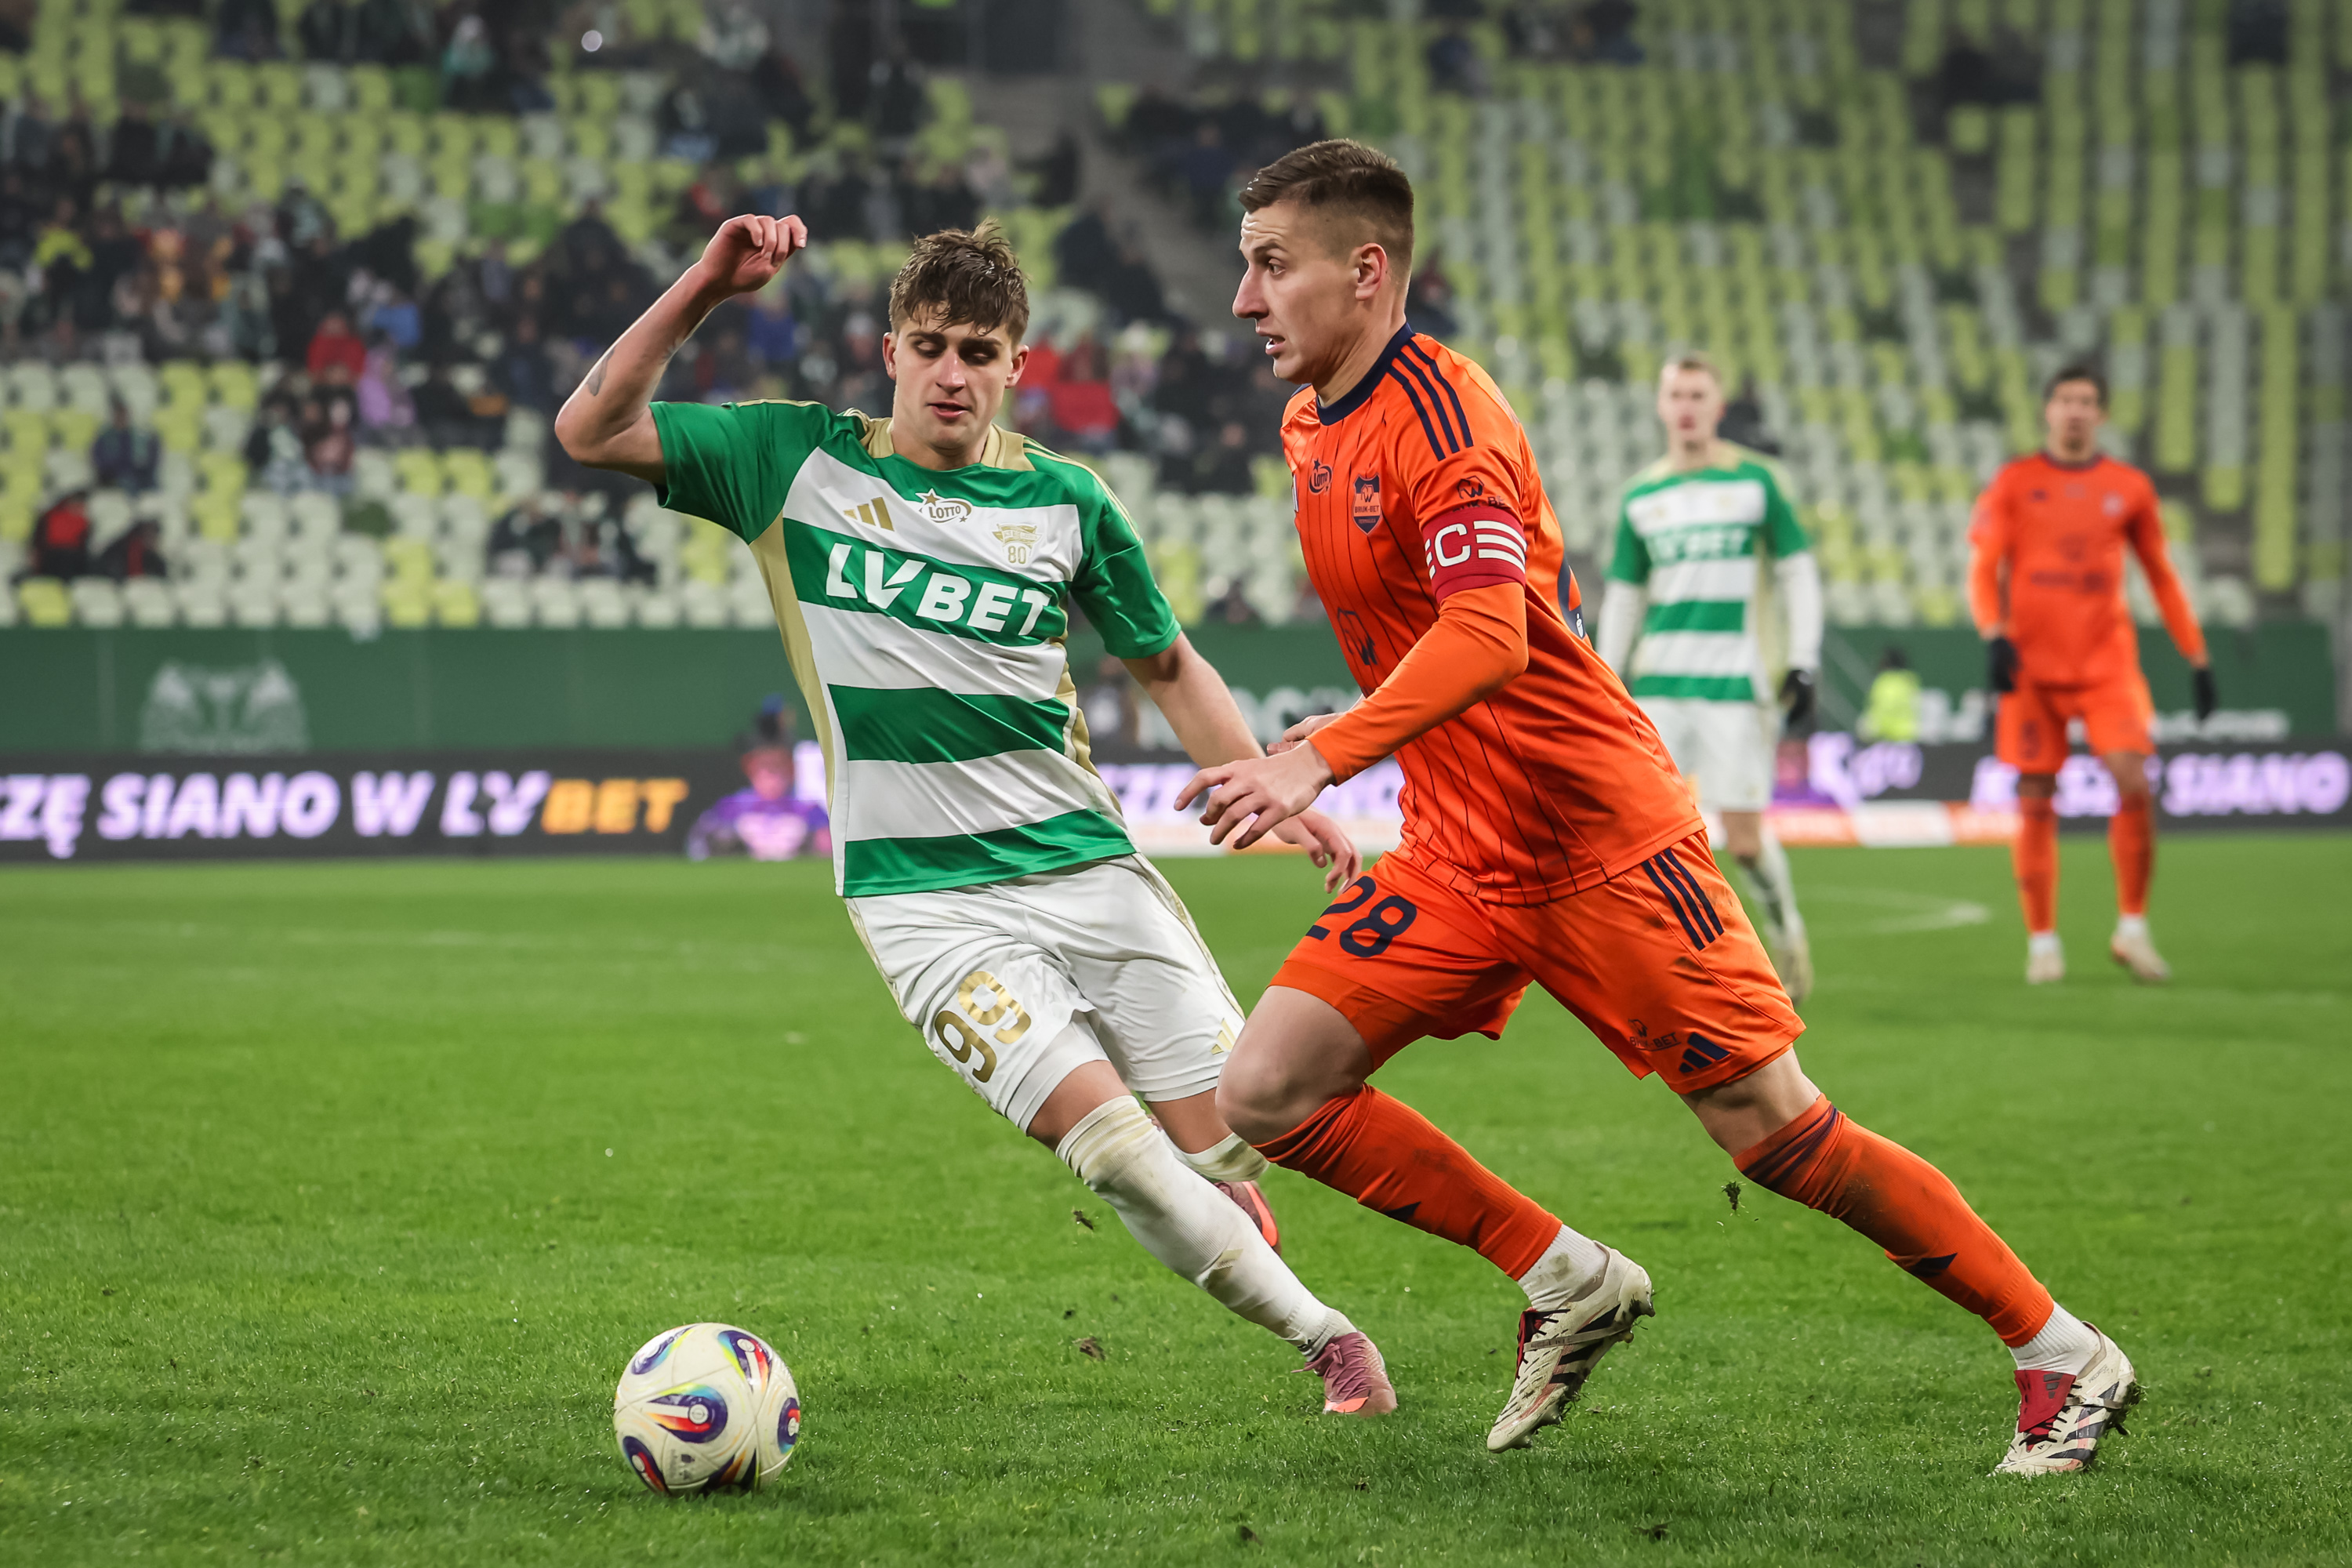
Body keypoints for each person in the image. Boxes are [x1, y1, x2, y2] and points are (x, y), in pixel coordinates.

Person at [1183, 139, 2135, 1472]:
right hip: (1461, 851)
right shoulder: (1310, 423)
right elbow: (1431, 633)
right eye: (1246, 266)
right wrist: (1340, 752)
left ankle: (2063, 1354)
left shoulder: (1448, 422)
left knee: (1775, 1133)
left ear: (1367, 270)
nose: (1244, 299)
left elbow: (1491, 634)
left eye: (1271, 266)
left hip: (1600, 839)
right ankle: (1564, 1275)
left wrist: (1319, 759)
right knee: (1269, 1089)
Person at [554, 213, 1397, 1418]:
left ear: (1016, 368)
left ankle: (1223, 1186)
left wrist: (1274, 783)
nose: (952, 373)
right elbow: (589, 431)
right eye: (932, 346)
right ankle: (1330, 1340)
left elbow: (1166, 665)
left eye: (980, 353)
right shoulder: (791, 462)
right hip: (921, 902)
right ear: (890, 352)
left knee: (1242, 1135)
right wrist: (704, 287)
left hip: (1083, 867)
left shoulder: (1066, 501)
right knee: (1116, 1156)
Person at [1967, 364, 2215, 985]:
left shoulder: (2128, 487)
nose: (2074, 410)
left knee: (2133, 779)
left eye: (2085, 401)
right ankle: (2043, 944)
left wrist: (2197, 655)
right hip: (2032, 668)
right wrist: (1993, 632)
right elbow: (1983, 565)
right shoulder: (2015, 482)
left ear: (2101, 414)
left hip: (2106, 665)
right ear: (2048, 410)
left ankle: (2132, 929)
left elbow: (2160, 573)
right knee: (2035, 798)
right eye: (2064, 400)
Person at [1595, 354, 1822, 1002]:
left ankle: (1786, 927)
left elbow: (1797, 573)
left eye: (1698, 395)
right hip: (1659, 688)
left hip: (1736, 687)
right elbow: (1625, 597)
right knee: (1646, 834)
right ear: (1661, 407)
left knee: (1744, 841)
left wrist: (1803, 658)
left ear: (1718, 407)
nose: (1687, 407)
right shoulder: (1642, 496)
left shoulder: (1757, 483)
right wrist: (1605, 677)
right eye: (1677, 395)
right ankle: (1678, 964)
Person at [688, 705, 833, 862]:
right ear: (749, 767)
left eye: (778, 766)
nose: (772, 775)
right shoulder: (730, 808)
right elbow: (697, 847)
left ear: (791, 768)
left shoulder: (810, 811)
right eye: (764, 766)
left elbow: (831, 851)